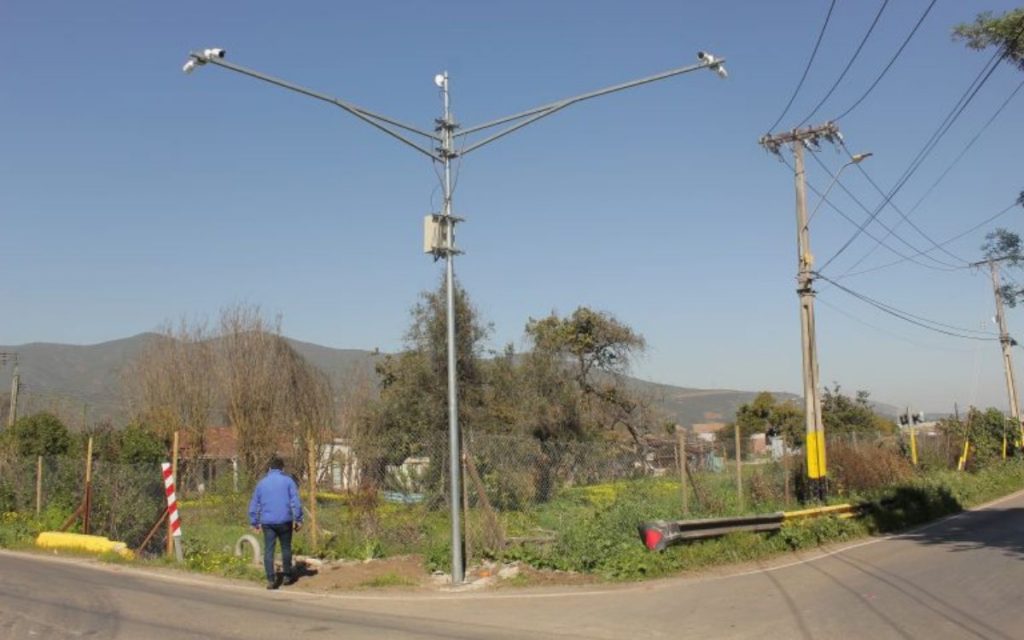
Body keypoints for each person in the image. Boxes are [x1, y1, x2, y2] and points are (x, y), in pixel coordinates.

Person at [248, 455, 303, 589]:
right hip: (285, 520)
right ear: (282, 468)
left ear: (269, 469)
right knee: (286, 548)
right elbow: (296, 502)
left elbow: (254, 504)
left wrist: (254, 522)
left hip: (268, 522)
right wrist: (298, 519)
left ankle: (271, 579)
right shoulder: (288, 481)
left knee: (269, 550)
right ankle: (287, 576)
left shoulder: (261, 483)